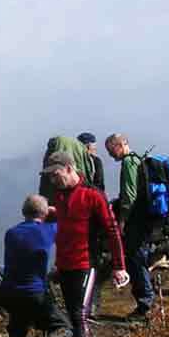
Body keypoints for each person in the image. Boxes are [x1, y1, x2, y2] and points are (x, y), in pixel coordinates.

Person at [42, 152, 128, 337]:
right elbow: (66, 227)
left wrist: (119, 266)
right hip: (64, 265)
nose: (53, 179)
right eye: (50, 176)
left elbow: (112, 231)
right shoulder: (59, 195)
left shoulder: (93, 195)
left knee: (81, 315)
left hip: (85, 263)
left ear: (69, 168)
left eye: (56, 174)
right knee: (73, 315)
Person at [0, 194, 71, 337]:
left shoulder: (11, 233)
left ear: (24, 211)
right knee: (61, 326)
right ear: (44, 213)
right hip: (35, 294)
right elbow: (64, 218)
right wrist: (53, 211)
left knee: (19, 319)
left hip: (9, 293)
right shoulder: (47, 231)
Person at [105, 133, 155, 319]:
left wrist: (122, 221)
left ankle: (145, 305)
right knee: (140, 257)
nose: (111, 156)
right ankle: (147, 301)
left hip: (135, 221)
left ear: (120, 145)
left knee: (135, 260)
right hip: (146, 219)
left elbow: (129, 195)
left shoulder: (128, 163)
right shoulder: (138, 159)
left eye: (111, 150)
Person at [76, 132, 109, 318]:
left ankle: (83, 302)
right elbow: (100, 188)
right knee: (93, 260)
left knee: (84, 259)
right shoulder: (95, 163)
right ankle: (92, 303)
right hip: (93, 217)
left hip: (79, 218)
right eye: (93, 147)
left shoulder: (74, 165)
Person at [39, 136, 96, 200]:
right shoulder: (59, 200)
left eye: (55, 175)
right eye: (50, 176)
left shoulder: (93, 197)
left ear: (69, 169)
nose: (52, 180)